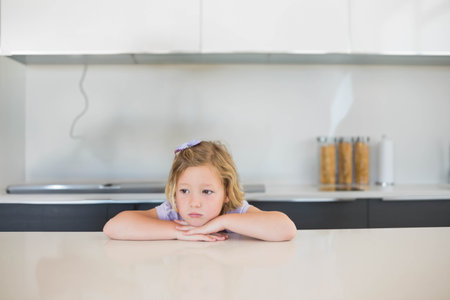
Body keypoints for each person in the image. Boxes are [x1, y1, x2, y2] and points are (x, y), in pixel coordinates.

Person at [103, 140, 297, 242]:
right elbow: (114, 227)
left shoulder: (234, 212)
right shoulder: (174, 214)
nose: (194, 202)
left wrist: (222, 221)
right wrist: (178, 232)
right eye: (185, 191)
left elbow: (286, 229)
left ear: (227, 192)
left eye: (206, 192)